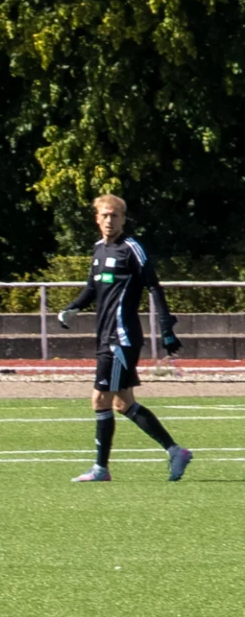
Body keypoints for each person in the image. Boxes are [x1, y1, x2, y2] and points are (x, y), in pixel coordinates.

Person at [57, 193, 192, 483]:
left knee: (100, 399)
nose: (109, 220)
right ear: (97, 218)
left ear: (123, 218)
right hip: (105, 337)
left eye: (114, 215)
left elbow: (154, 287)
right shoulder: (98, 250)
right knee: (123, 404)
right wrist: (72, 308)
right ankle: (175, 451)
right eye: (104, 215)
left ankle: (100, 469)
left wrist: (166, 327)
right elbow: (92, 289)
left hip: (121, 338)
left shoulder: (131, 249)